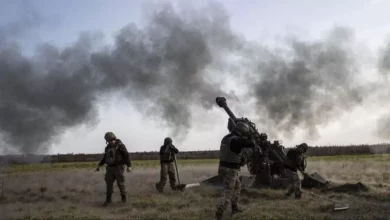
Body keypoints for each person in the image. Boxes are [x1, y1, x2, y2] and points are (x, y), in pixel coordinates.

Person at [215, 119, 256, 220]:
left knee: (237, 186)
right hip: (230, 170)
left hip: (223, 167)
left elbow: (233, 151)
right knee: (228, 192)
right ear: (242, 131)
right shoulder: (238, 140)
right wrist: (251, 135)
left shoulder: (227, 138)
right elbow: (252, 144)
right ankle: (218, 214)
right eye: (244, 133)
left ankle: (235, 208)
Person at [95, 132, 132, 206]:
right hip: (109, 168)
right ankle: (108, 200)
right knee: (108, 184)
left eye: (112, 140)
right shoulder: (107, 148)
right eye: (109, 141)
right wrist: (99, 165)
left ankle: (123, 199)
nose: (111, 142)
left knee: (120, 183)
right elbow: (105, 157)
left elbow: (126, 155)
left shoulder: (120, 145)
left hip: (119, 167)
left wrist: (129, 166)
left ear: (114, 138)